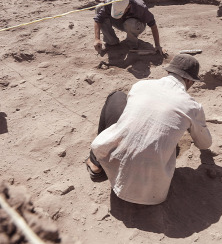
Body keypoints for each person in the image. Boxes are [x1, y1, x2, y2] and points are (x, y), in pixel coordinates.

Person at [85, 54, 213, 205]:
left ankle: (96, 163)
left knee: (117, 97)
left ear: (169, 72)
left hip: (116, 163)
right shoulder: (193, 107)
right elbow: (205, 144)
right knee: (170, 145)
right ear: (189, 80)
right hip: (152, 194)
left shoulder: (141, 85)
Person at [93, 0, 164, 55]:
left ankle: (132, 44)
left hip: (136, 25)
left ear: (128, 6)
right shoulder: (112, 1)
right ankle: (111, 41)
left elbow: (153, 25)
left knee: (130, 23)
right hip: (120, 22)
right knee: (99, 8)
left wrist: (157, 45)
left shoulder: (140, 7)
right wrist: (97, 39)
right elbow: (98, 19)